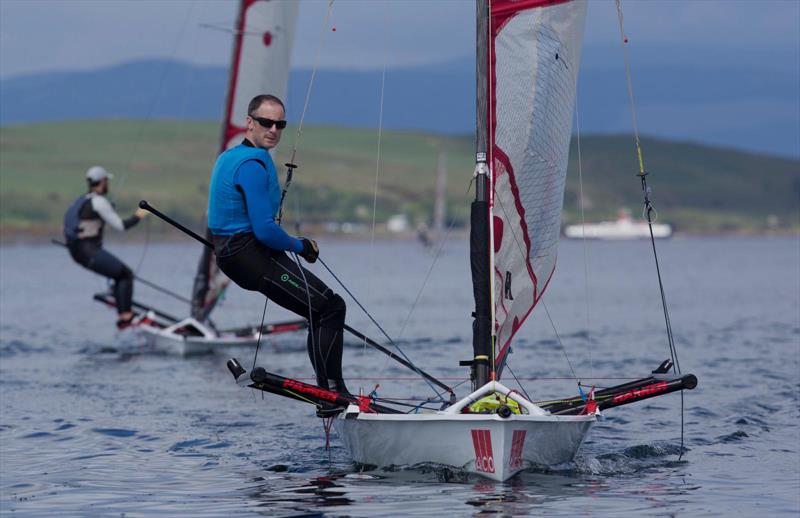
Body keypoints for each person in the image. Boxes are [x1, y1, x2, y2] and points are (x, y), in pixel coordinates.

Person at [207, 94, 350, 397]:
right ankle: (334, 391)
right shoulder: (252, 166)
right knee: (330, 307)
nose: (273, 129)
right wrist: (303, 246)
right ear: (249, 122)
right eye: (265, 122)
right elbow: (265, 231)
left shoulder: (229, 156)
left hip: (232, 253)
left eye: (280, 124)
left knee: (320, 309)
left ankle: (328, 389)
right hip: (250, 254)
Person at [63, 166, 148, 329]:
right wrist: (140, 215)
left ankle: (122, 308)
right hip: (88, 251)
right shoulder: (99, 202)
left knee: (118, 274)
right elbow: (121, 226)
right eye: (107, 181)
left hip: (77, 251)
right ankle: (125, 315)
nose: (108, 184)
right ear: (102, 182)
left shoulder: (82, 200)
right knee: (125, 274)